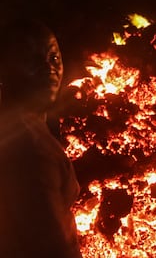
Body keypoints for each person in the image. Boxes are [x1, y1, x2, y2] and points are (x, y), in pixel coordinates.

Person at [0, 19, 82, 258]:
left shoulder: (31, 127)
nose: (48, 68)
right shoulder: (28, 145)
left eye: (54, 58)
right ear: (6, 68)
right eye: (33, 61)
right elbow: (51, 244)